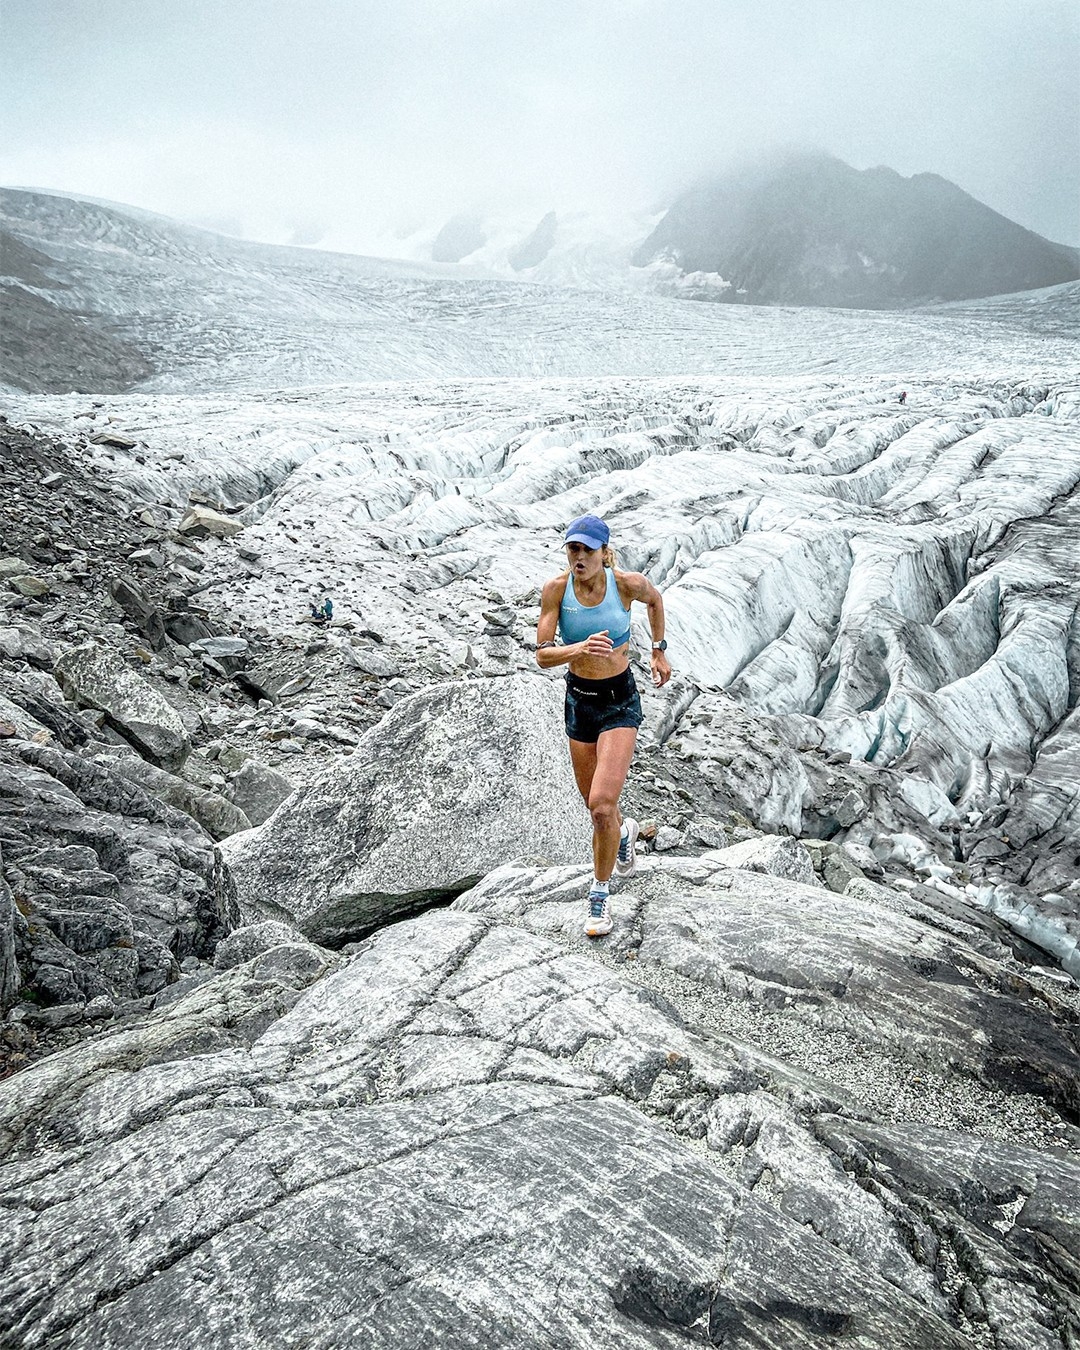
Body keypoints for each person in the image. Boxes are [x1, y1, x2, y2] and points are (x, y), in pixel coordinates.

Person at [535, 514, 671, 937]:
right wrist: (578, 647)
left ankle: (599, 895)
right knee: (597, 810)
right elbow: (541, 654)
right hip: (579, 702)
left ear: (603, 553)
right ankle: (624, 833)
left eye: (586, 550)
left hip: (618, 701)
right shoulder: (556, 591)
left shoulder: (625, 584)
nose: (579, 557)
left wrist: (658, 651)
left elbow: (656, 600)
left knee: (601, 805)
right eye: (573, 548)